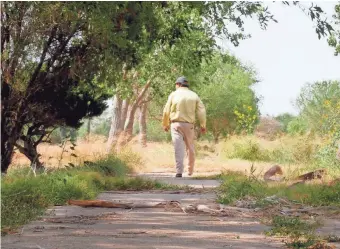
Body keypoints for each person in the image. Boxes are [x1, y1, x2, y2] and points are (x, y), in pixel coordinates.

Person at [162, 76, 206, 177]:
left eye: (176, 85)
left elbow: (166, 110)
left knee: (178, 148)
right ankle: (190, 171)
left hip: (175, 124)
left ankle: (179, 171)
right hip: (189, 125)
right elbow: (202, 111)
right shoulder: (194, 95)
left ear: (178, 84)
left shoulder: (173, 94)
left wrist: (165, 124)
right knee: (190, 148)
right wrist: (203, 125)